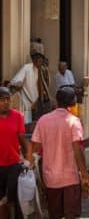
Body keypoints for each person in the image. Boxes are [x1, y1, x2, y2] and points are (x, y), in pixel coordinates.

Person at [31, 87, 89, 219]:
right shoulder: (74, 121)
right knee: (71, 215)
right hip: (70, 178)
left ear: (56, 102)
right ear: (73, 103)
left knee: (55, 215)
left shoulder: (43, 120)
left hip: (50, 179)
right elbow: (78, 149)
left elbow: (35, 147)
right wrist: (85, 174)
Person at [0, 87, 29, 219]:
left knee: (16, 200)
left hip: (14, 165)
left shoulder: (17, 116)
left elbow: (22, 140)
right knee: (2, 202)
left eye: (8, 99)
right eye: (2, 100)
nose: (6, 102)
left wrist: (28, 161)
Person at [9, 52, 47, 124]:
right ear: (34, 60)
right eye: (39, 61)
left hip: (35, 102)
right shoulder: (27, 67)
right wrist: (19, 84)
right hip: (25, 100)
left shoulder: (39, 70)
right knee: (24, 122)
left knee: (31, 123)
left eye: (42, 62)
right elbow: (16, 81)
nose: (41, 63)